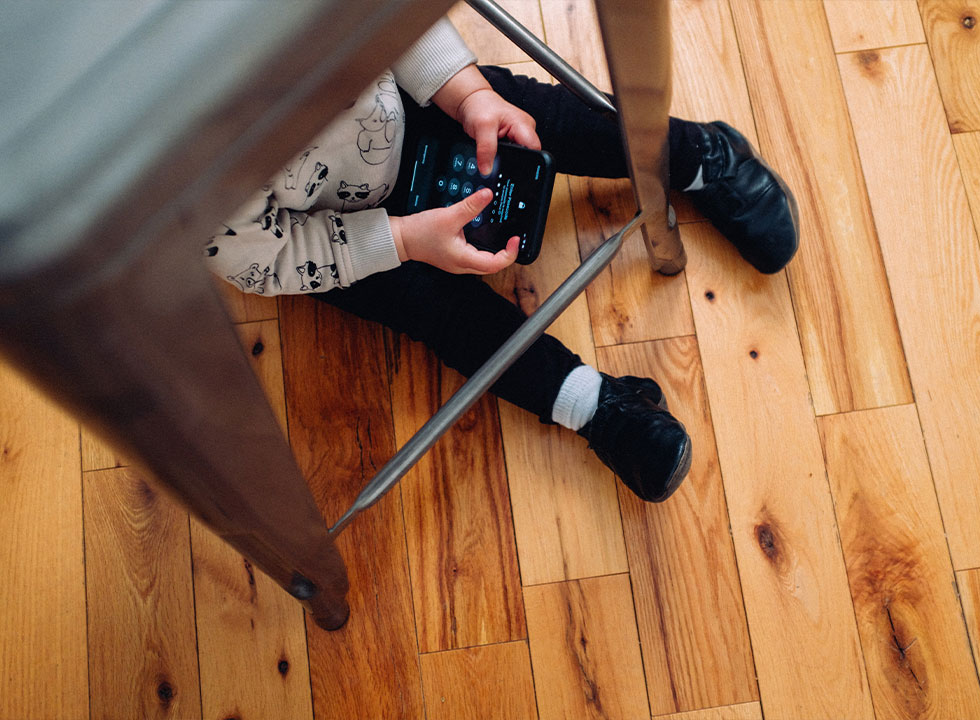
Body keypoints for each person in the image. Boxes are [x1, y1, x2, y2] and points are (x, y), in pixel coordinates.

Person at [206, 18, 798, 503]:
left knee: (545, 122)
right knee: (440, 313)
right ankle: (594, 405)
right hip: (344, 231)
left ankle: (701, 155)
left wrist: (467, 92)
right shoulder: (173, 192)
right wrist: (403, 239)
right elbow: (269, 257)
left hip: (416, 101)